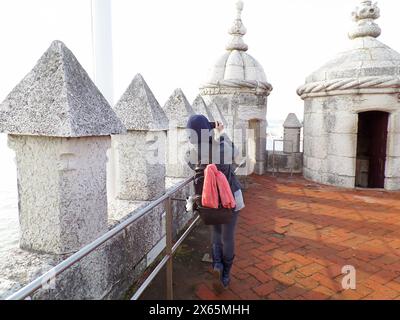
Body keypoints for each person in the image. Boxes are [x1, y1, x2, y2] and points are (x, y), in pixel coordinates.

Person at [186, 114, 245, 291]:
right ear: (208, 129)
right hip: (230, 199)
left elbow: (194, 164)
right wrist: (221, 134)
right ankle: (226, 273)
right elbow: (238, 160)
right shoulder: (224, 147)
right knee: (228, 237)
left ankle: (217, 265)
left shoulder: (191, 154)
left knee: (217, 233)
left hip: (209, 202)